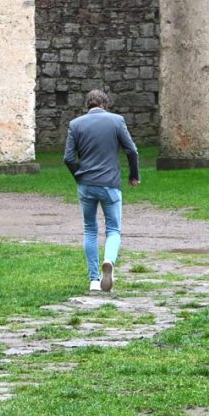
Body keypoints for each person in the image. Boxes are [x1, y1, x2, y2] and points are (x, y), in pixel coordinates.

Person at [62, 89, 141, 293]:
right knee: (113, 229)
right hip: (110, 184)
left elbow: (68, 158)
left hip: (86, 184)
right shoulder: (116, 121)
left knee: (90, 229)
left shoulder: (75, 124)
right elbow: (131, 150)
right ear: (106, 104)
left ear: (87, 105)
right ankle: (109, 261)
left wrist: (79, 175)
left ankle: (94, 280)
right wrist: (134, 175)